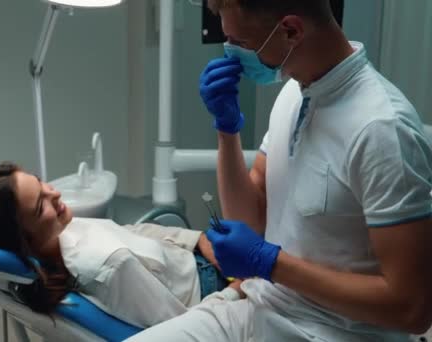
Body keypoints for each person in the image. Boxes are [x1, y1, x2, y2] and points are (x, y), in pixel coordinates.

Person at [127, 0, 432, 340]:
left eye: (240, 43)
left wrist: (270, 264)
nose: (231, 55)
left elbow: (412, 309)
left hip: (330, 331)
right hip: (259, 308)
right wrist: (227, 130)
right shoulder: (295, 92)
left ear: (290, 30)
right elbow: (250, 221)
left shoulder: (382, 130)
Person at [0, 162, 242, 329]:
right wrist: (236, 291)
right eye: (39, 206)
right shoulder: (111, 266)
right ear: (21, 239)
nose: (56, 193)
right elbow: (179, 329)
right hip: (209, 291)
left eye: (41, 183)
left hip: (196, 259)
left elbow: (130, 232)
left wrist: (197, 239)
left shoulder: (58, 235)